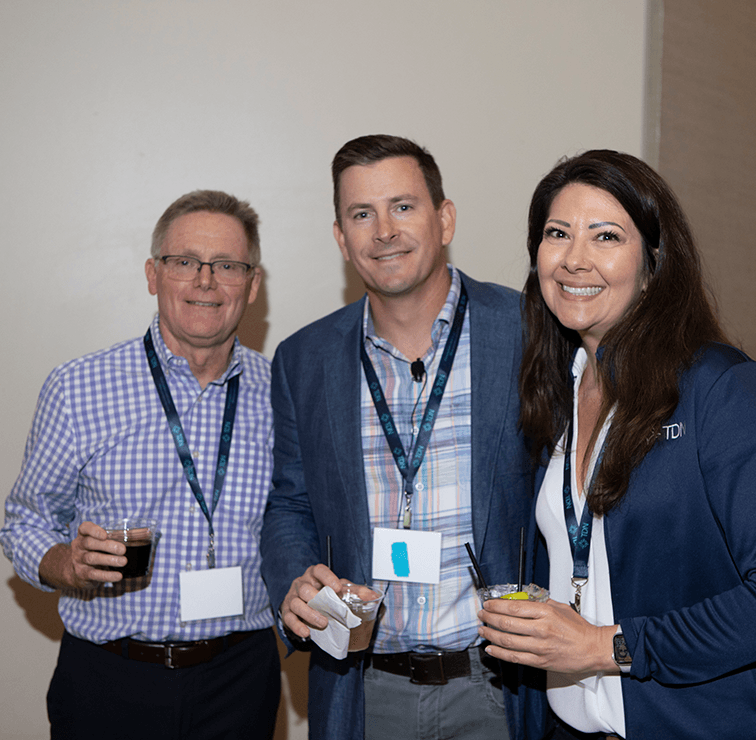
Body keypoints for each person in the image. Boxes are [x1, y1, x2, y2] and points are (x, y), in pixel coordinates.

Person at [478, 150, 756, 740]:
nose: (575, 258)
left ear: (653, 262)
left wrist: (606, 646)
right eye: (557, 233)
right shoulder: (559, 387)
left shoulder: (719, 388)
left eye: (605, 236)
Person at [260, 134, 539, 740]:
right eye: (362, 214)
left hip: (500, 685)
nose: (383, 230)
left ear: (445, 218)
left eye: (403, 206)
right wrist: (295, 578)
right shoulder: (303, 359)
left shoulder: (529, 333)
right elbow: (289, 501)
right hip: (363, 688)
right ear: (341, 237)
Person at [0, 190, 281, 739]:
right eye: (184, 263)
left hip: (240, 679)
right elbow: (24, 524)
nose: (205, 281)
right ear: (154, 275)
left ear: (252, 284)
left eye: (227, 265)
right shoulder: (78, 388)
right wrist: (67, 564)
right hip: (110, 679)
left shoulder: (281, 394)